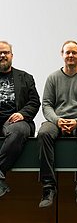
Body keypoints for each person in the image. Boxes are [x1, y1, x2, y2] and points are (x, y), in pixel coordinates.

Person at [37, 40, 77, 208]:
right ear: (62, 54)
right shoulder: (53, 78)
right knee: (43, 133)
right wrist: (57, 120)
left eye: (74, 52)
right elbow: (47, 104)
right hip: (57, 120)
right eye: (68, 52)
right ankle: (49, 187)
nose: (71, 55)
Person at [0, 41, 40, 197]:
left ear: (12, 55)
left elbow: (34, 101)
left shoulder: (25, 77)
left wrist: (23, 114)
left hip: (14, 120)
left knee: (19, 130)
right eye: (0, 53)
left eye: (6, 52)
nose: (2, 55)